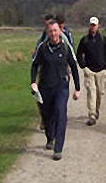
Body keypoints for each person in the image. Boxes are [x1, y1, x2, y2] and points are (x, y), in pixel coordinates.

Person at [31, 20, 81, 160]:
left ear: (60, 31)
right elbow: (35, 65)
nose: (53, 33)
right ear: (48, 32)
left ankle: (58, 148)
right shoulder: (42, 48)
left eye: (55, 30)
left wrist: (77, 88)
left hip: (61, 86)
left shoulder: (65, 48)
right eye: (50, 31)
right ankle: (50, 138)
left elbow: (74, 66)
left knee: (60, 112)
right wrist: (33, 82)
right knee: (47, 115)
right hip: (45, 86)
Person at [76, 17, 106, 126]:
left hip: (101, 71)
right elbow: (79, 54)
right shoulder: (84, 40)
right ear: (89, 25)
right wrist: (83, 66)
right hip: (89, 70)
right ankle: (92, 114)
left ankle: (96, 109)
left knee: (99, 93)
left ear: (98, 25)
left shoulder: (103, 39)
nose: (93, 27)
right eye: (91, 25)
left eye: (94, 25)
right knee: (91, 92)